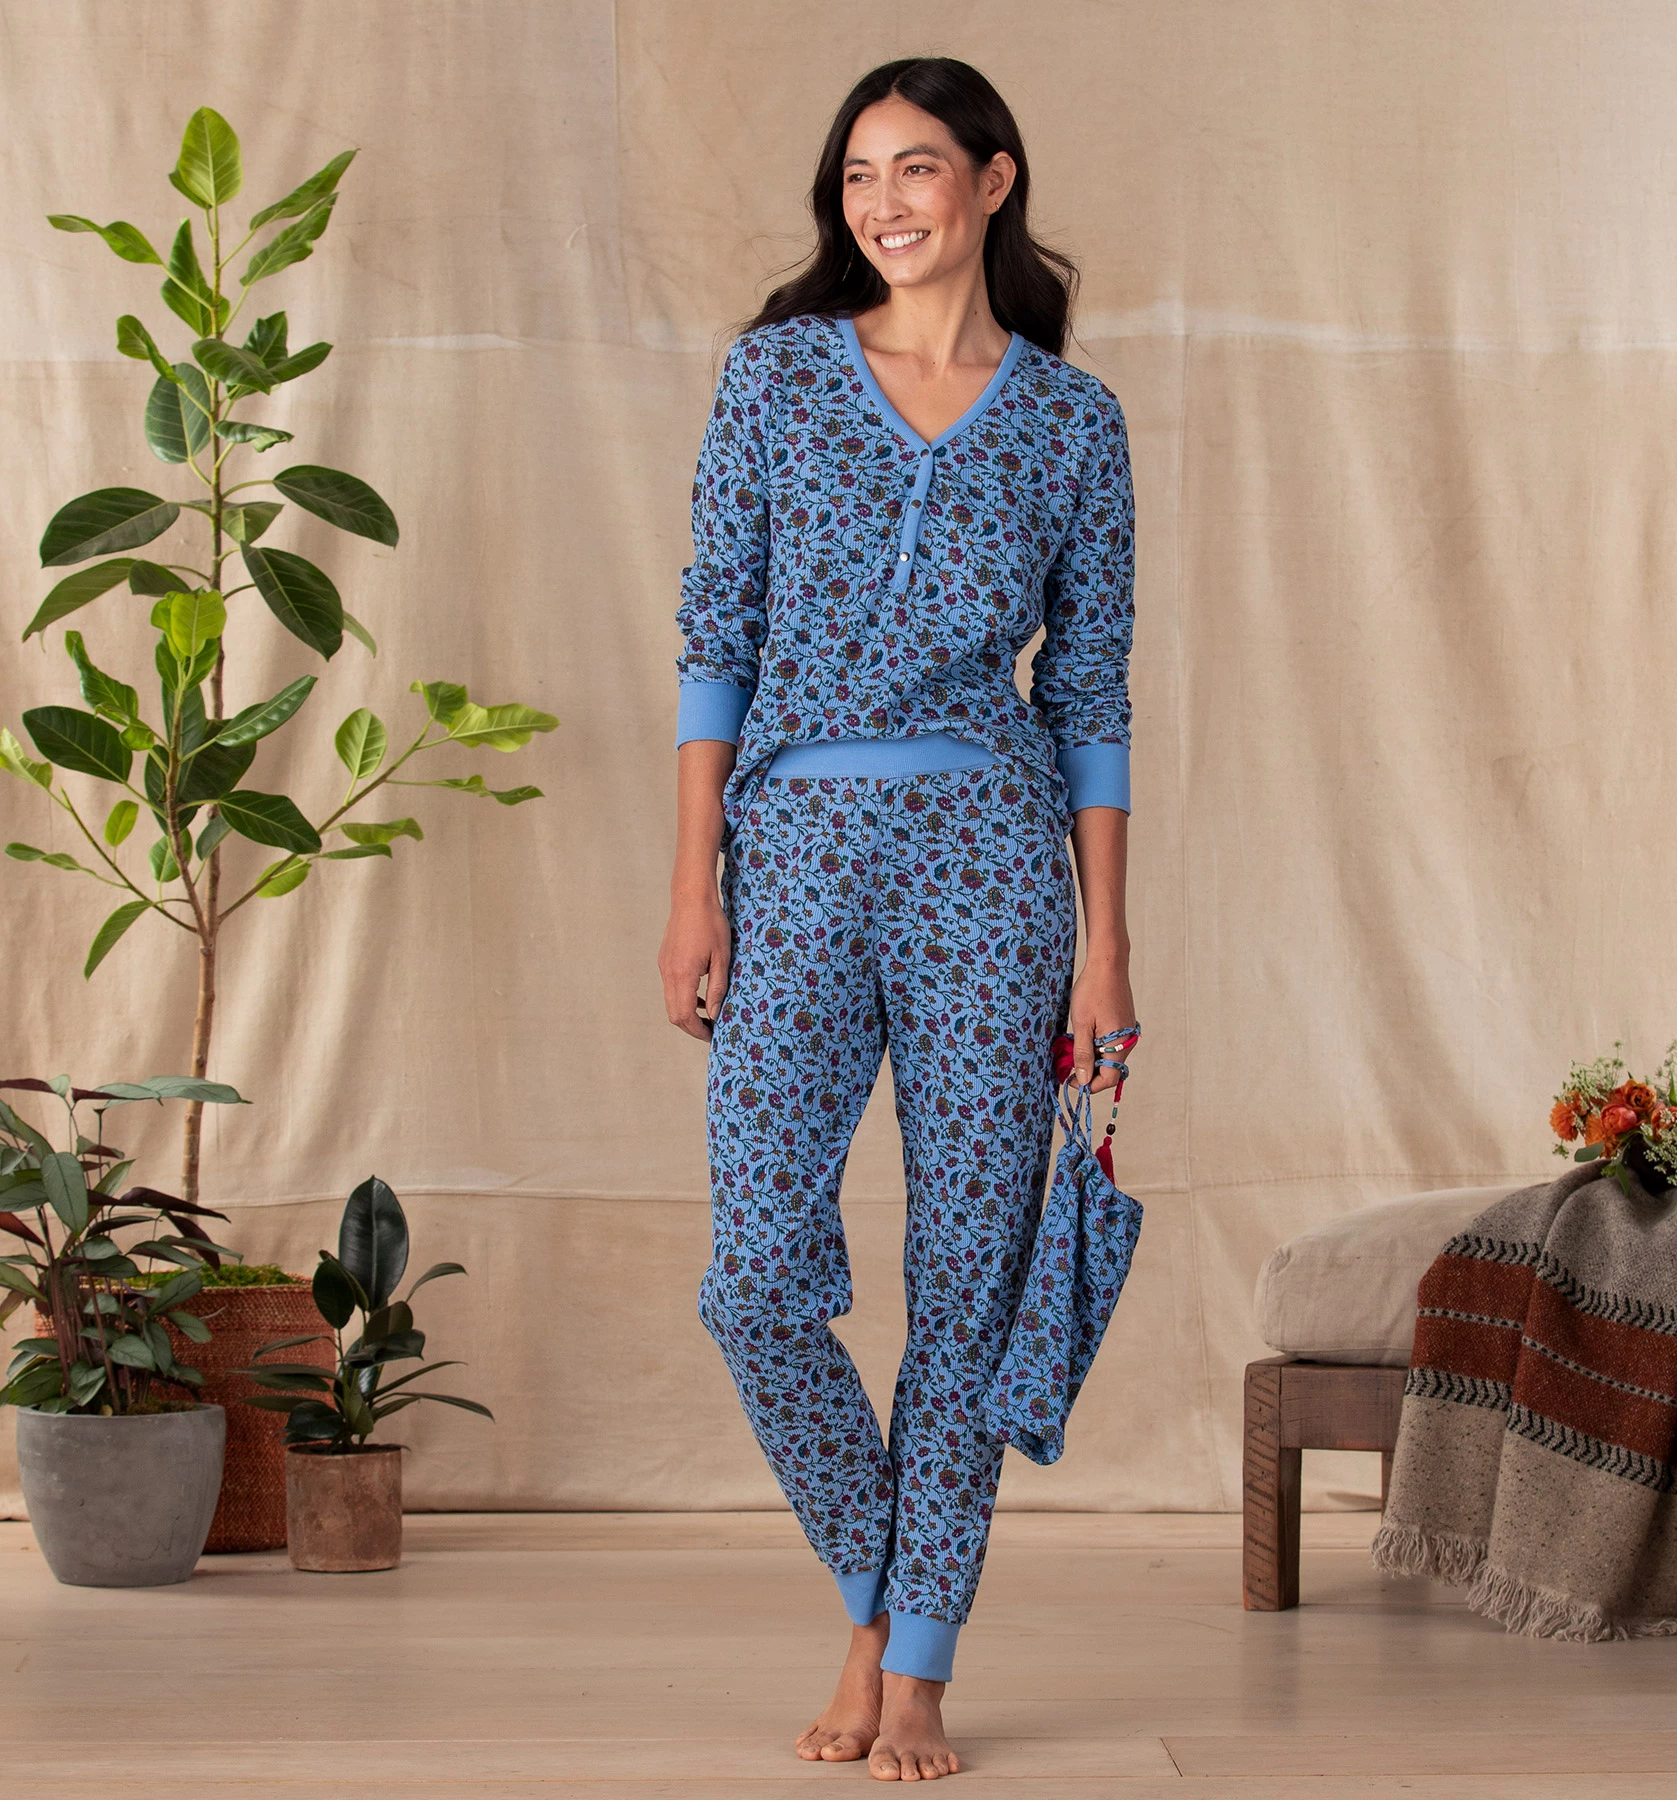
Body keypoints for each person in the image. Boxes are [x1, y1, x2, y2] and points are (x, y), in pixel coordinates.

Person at [658, 55, 1137, 1784]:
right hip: (793, 854)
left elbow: (1090, 693)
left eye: (917, 168)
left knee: (971, 1276)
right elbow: (717, 634)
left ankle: (916, 1664)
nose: (883, 204)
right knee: (755, 1278)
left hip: (993, 868)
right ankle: (879, 1596)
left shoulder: (1072, 421)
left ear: (992, 182)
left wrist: (1106, 943)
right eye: (859, 176)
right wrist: (692, 883)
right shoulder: (777, 376)